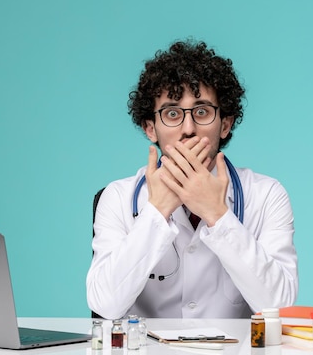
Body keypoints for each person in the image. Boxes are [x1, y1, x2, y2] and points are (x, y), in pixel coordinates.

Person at [86, 39, 298, 319]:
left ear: (225, 124)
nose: (188, 129)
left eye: (202, 112)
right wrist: (157, 211)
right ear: (151, 128)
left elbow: (280, 307)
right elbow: (104, 304)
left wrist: (218, 215)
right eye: (172, 113)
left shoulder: (267, 194)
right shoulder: (117, 198)